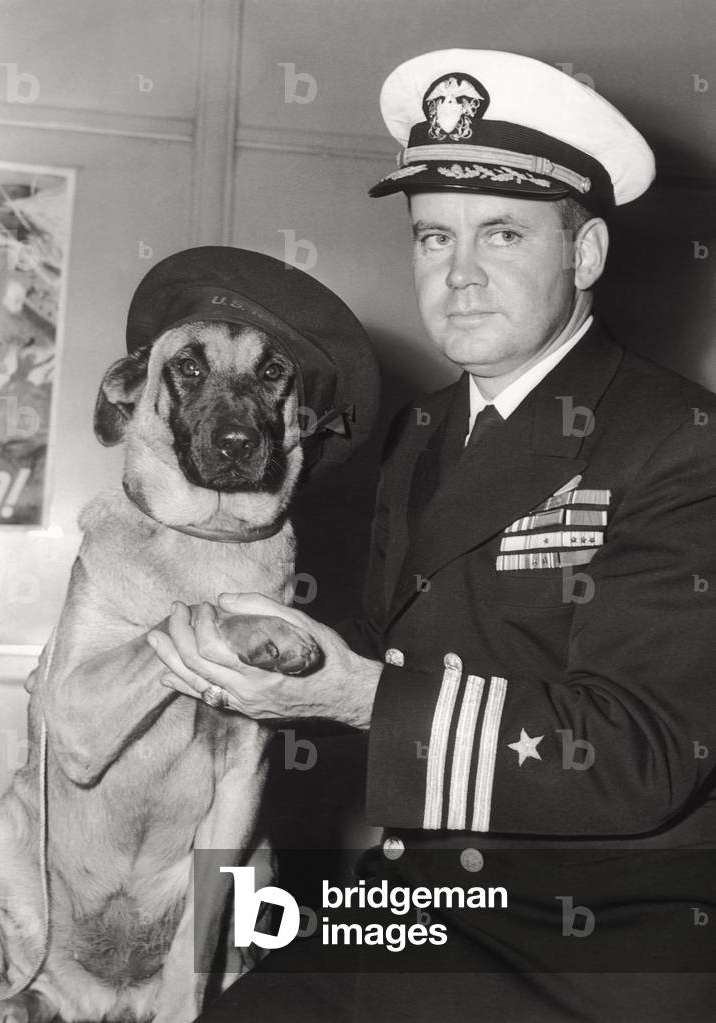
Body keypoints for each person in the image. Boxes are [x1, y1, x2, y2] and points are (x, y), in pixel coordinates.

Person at [149, 49, 716, 1023]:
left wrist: (360, 694)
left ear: (583, 258)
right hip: (420, 903)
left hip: (596, 943)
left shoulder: (674, 440)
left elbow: (645, 756)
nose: (457, 275)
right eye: (430, 237)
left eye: (501, 234)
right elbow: (390, 664)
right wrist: (257, 671)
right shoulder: (419, 432)